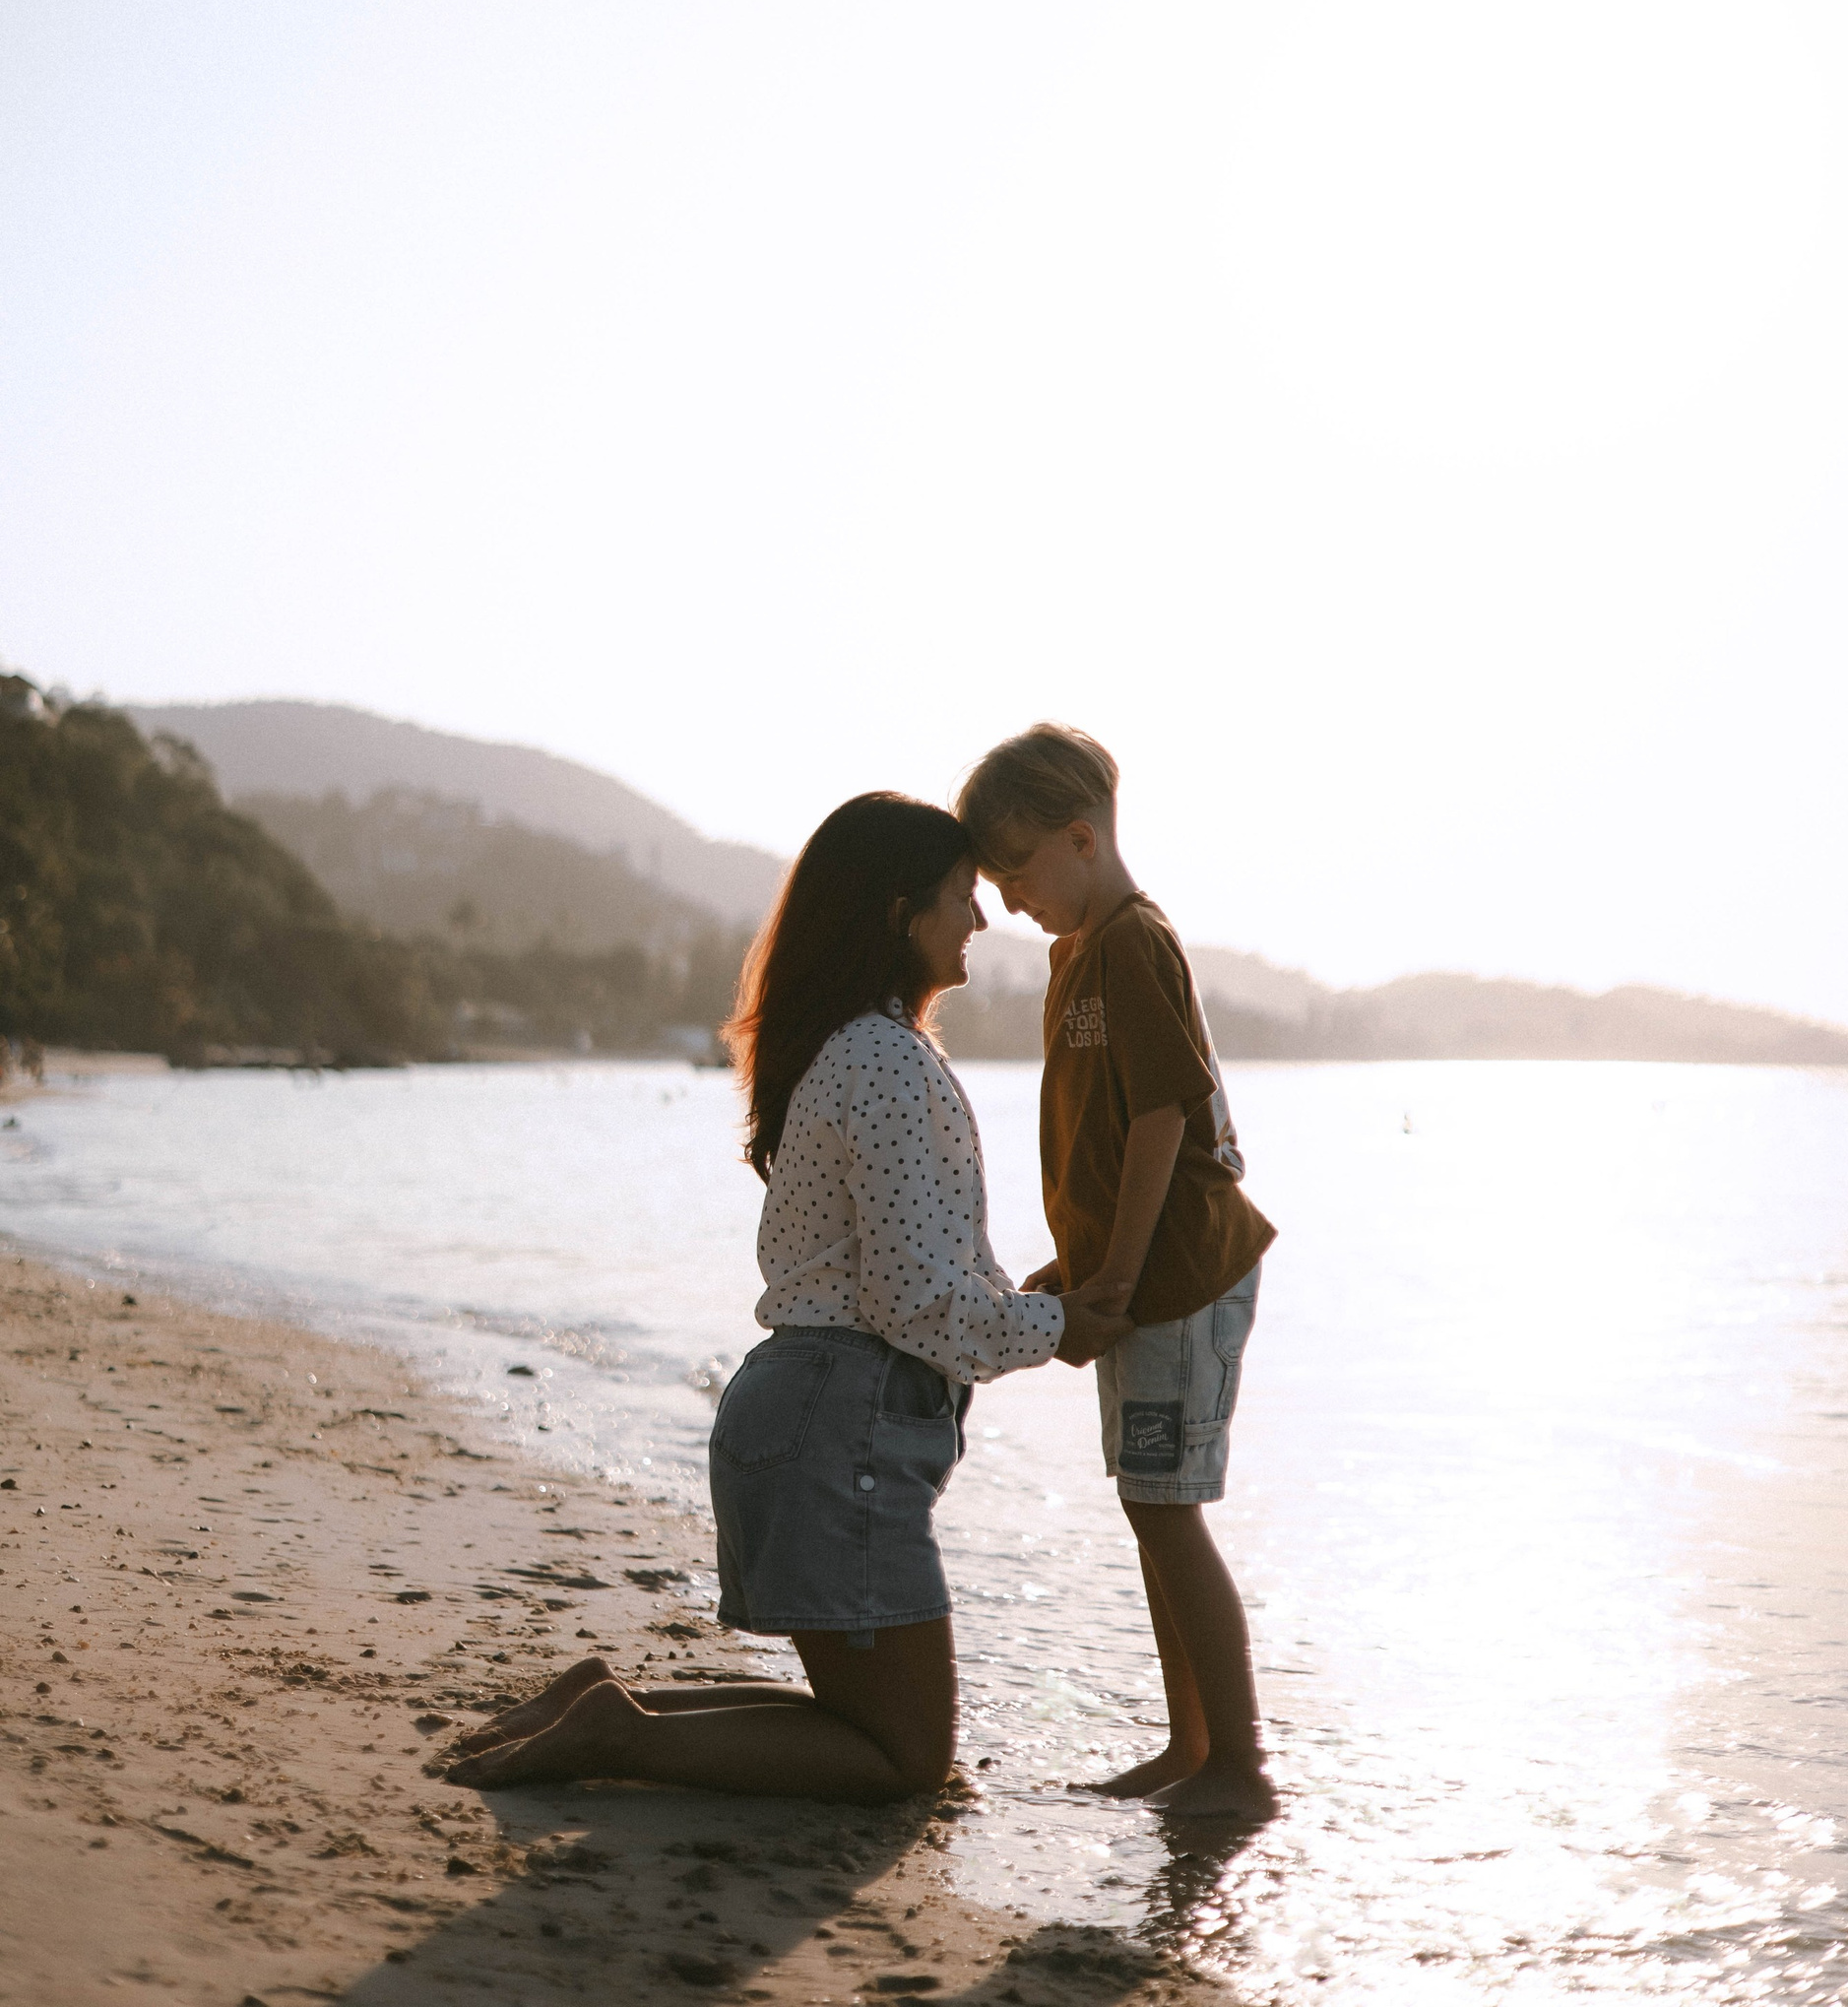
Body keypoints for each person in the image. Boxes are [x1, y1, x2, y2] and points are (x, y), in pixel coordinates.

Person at [450, 790, 1128, 1803]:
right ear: (900, 913)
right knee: (904, 1759)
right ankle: (616, 1734)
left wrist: (1018, 1297)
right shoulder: (885, 1060)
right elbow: (909, 1301)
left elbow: (909, 1265)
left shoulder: (859, 1046)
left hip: (820, 1418)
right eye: (959, 895)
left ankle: (604, 1708)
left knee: (866, 1723)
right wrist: (1057, 1325)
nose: (980, 918)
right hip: (841, 1430)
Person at [955, 725, 1278, 1819]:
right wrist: (1080, 1269)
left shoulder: (1135, 941)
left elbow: (1160, 1120)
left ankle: (1239, 1765)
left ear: (1081, 839)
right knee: (1152, 1508)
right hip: (1140, 1276)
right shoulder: (1077, 956)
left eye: (1016, 872)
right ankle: (1192, 1744)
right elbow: (1104, 1139)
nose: (1007, 901)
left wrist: (1120, 1282)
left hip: (1180, 1279)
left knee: (1169, 1511)